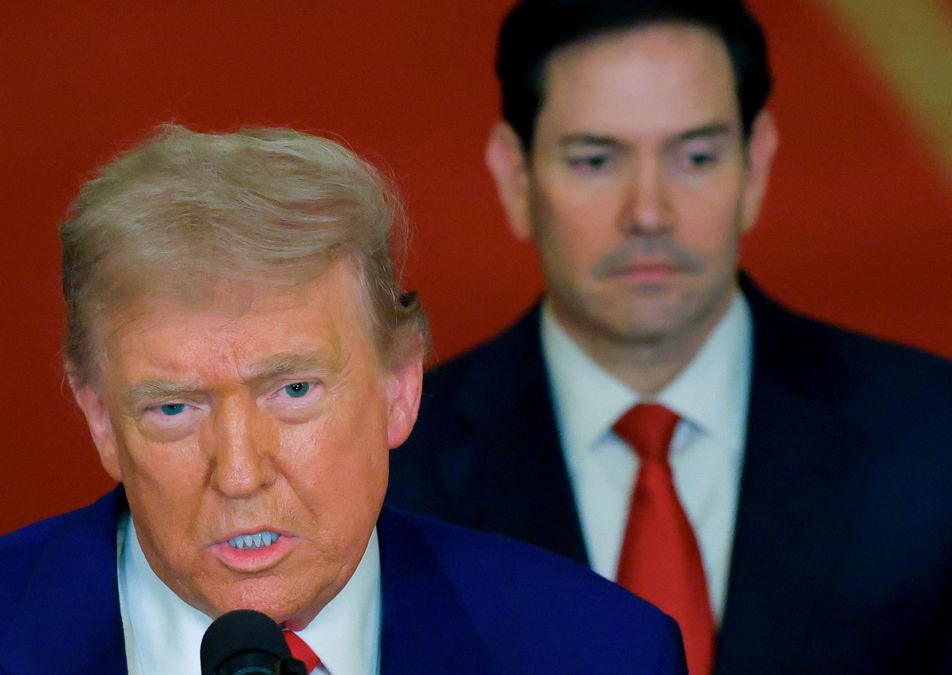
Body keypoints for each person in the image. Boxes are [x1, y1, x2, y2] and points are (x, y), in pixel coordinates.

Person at [0, 125, 686, 674]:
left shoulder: (598, 654)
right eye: (173, 407)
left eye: (292, 389)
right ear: (97, 416)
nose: (238, 472)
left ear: (401, 387)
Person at [386, 1, 952, 674]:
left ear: (757, 163)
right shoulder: (393, 462)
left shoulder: (931, 437)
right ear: (516, 176)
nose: (648, 212)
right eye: (596, 159)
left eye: (696, 156)